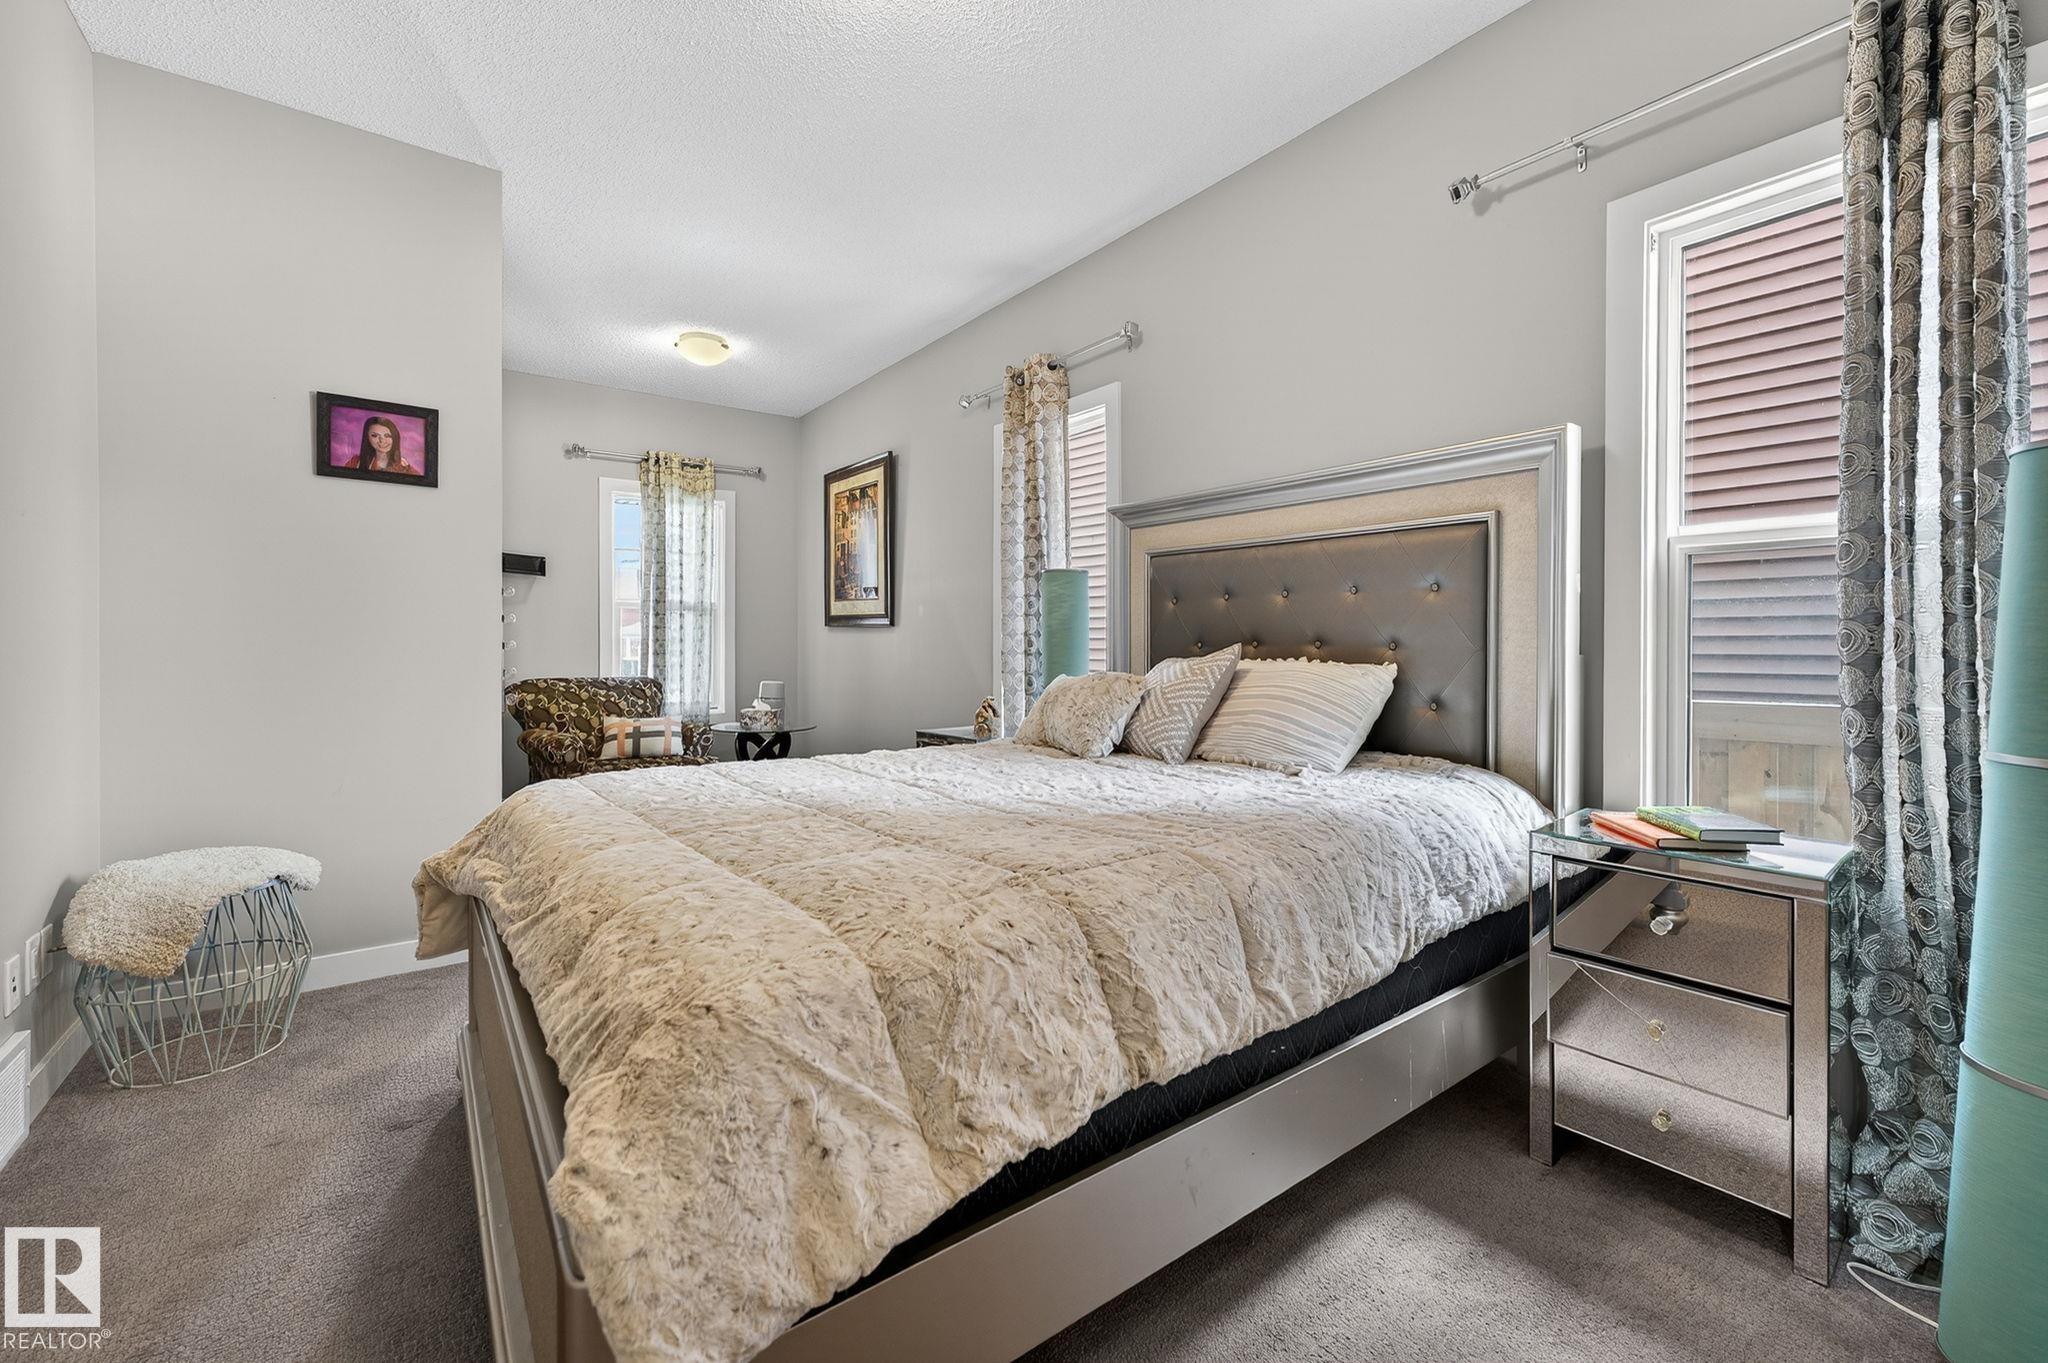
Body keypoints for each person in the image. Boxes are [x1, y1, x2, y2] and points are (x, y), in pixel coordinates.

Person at [345, 416, 417, 474]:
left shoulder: (405, 467)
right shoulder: (355, 462)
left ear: (394, 438)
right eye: (375, 435)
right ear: (367, 438)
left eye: (387, 436)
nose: (382, 441)